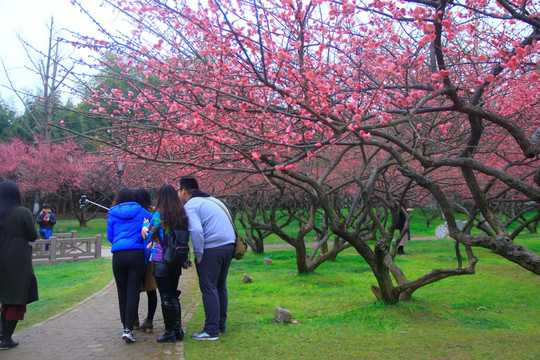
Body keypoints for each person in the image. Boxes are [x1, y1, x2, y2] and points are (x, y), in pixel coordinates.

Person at [178, 177, 235, 341]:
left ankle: (211, 330)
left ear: (184, 191)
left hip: (212, 248)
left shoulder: (191, 205)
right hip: (228, 246)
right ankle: (219, 325)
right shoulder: (213, 200)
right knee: (220, 286)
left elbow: (196, 231)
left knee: (209, 287)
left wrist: (198, 254)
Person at [143, 184, 189, 343]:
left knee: (166, 297)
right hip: (176, 258)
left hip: (161, 258)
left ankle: (169, 331)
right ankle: (178, 330)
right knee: (174, 295)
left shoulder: (158, 215)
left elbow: (147, 235)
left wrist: (144, 226)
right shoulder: (180, 214)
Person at [107, 187, 151, 343]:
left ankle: (124, 325)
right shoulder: (143, 212)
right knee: (133, 291)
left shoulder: (112, 213)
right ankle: (129, 328)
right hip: (136, 254)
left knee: (122, 291)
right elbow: (150, 229)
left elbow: (110, 237)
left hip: (118, 255)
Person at [0, 181, 39, 350]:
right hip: (16, 259)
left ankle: (2, 332)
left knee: (7, 297)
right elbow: (33, 235)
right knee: (17, 298)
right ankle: (6, 337)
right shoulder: (22, 212)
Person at [133, 188, 157, 333]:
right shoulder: (153, 213)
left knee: (134, 289)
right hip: (150, 255)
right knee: (151, 288)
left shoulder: (134, 213)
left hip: (136, 253)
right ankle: (149, 320)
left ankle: (134, 319)